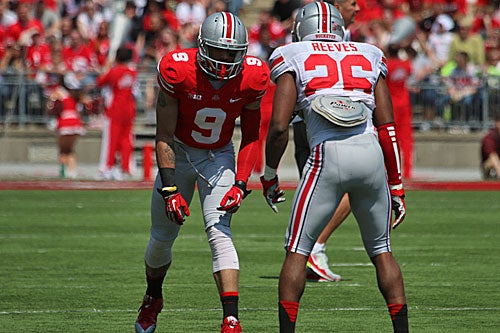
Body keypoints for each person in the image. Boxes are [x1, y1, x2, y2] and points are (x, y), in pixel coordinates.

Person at [260, 2, 408, 332]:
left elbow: (280, 126)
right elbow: (388, 127)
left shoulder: (292, 53)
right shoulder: (368, 53)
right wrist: (396, 184)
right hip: (370, 153)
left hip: (327, 154)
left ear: (301, 29)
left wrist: (269, 174)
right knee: (383, 252)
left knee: (297, 251)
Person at [134, 11, 270, 333]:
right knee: (161, 238)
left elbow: (251, 136)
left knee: (220, 231)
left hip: (217, 155)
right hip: (178, 153)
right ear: (202, 46)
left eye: (232, 53)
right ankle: (153, 296)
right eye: (219, 51)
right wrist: (170, 189)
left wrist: (241, 182)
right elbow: (164, 136)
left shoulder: (252, 77)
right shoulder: (178, 69)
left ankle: (231, 320)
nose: (225, 60)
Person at [294, 0, 361, 283]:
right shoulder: (323, 38)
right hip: (321, 124)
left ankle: (308, 250)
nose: (357, 8)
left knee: (329, 193)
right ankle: (314, 247)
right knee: (358, 185)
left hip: (320, 123)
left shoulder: (316, 35)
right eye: (352, 3)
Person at [96, 46, 138, 180]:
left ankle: (107, 168)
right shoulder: (132, 71)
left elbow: (100, 82)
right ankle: (126, 167)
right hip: (129, 108)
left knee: (111, 140)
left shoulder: (114, 71)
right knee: (126, 139)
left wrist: (106, 68)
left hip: (115, 109)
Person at [46, 73, 87, 179]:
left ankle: (65, 170)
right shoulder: (75, 93)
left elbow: (50, 104)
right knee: (70, 149)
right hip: (75, 122)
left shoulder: (59, 91)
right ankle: (71, 170)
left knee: (63, 150)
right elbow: (87, 102)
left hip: (64, 122)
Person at [481, 113, 500, 179]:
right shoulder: (489, 138)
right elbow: (493, 156)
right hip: (492, 166)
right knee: (491, 163)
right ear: (497, 123)